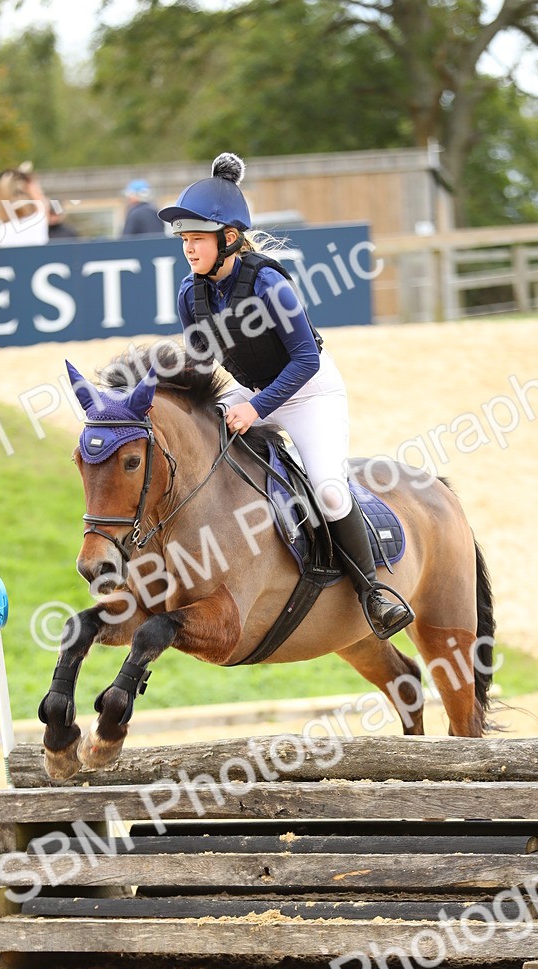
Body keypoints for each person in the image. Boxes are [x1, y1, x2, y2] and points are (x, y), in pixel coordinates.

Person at [157, 152, 413, 640]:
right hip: (251, 392)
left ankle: (373, 594)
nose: (188, 248)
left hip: (310, 394)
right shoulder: (191, 294)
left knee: (329, 491)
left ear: (229, 238)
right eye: (184, 239)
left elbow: (306, 360)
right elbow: (201, 364)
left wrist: (254, 408)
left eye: (197, 238)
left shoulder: (269, 282)